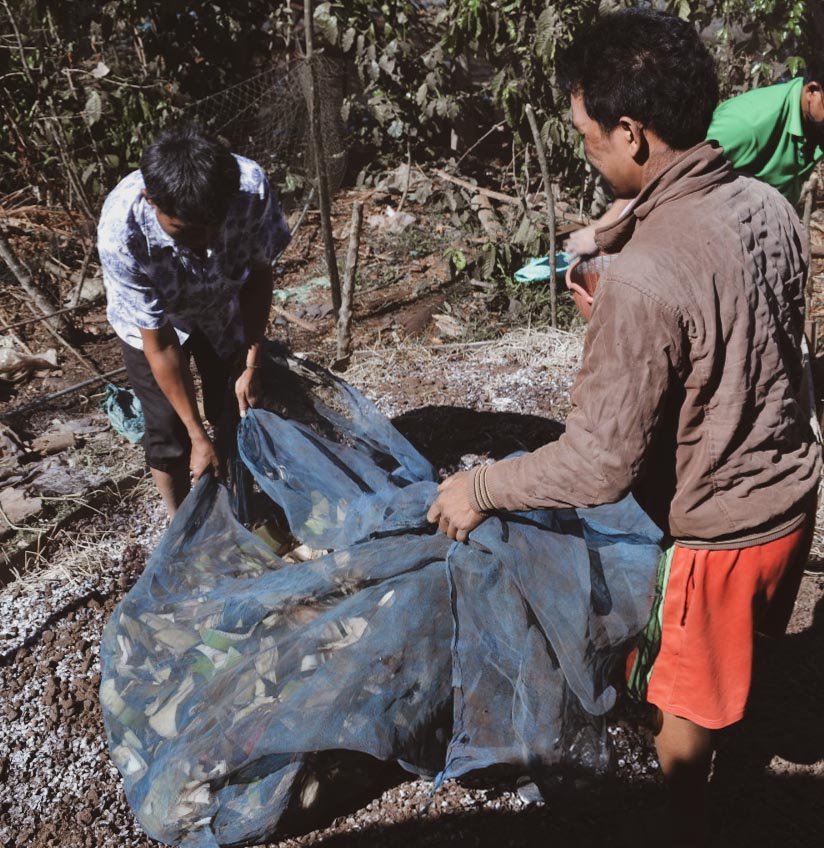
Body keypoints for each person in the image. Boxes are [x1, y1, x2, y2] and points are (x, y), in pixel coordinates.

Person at [427, 8, 821, 846]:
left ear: (633, 134)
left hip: (721, 535)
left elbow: (598, 467)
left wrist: (481, 487)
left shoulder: (643, 278)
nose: (585, 148)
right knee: (739, 661)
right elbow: (749, 339)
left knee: (684, 714)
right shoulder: (770, 204)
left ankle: (687, 822)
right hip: (792, 500)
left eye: (587, 133)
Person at [98, 123, 291, 516]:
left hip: (223, 304)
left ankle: (245, 503)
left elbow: (258, 275)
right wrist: (196, 435)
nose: (203, 241)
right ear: (151, 199)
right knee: (168, 431)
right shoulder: (122, 231)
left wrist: (251, 362)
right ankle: (181, 524)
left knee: (237, 401)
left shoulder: (249, 188)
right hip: (154, 324)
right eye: (185, 231)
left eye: (213, 227)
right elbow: (161, 342)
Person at [565, 54, 824, 259]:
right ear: (812, 92)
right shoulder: (746, 126)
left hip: (761, 236)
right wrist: (603, 229)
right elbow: (664, 166)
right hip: (716, 241)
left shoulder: (814, 123)